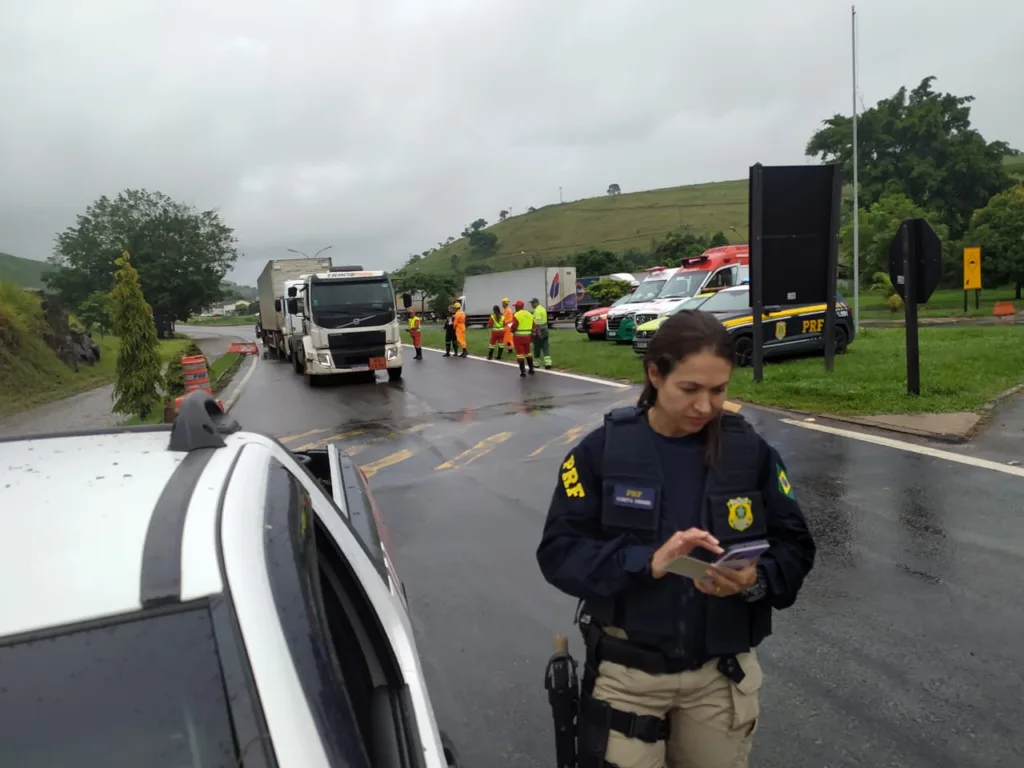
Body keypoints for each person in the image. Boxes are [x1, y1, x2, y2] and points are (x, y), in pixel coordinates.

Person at [536, 310, 816, 768]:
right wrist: (645, 562)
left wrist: (755, 578)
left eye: (718, 390)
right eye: (690, 389)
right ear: (655, 373)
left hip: (719, 676)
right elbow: (559, 552)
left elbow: (796, 545)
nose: (705, 407)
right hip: (629, 676)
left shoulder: (750, 453)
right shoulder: (600, 452)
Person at [509, 299, 536, 377]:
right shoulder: (530, 314)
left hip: (518, 338)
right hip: (528, 337)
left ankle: (523, 371)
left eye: (515, 306)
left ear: (518, 307)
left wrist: (511, 330)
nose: (515, 308)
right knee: (528, 353)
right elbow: (533, 326)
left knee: (520, 355)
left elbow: (514, 326)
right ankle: (531, 369)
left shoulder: (516, 315)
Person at [529, 297, 552, 369]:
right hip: (545, 329)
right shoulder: (542, 308)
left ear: (536, 303)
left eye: (532, 303)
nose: (531, 305)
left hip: (539, 330)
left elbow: (538, 322)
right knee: (545, 347)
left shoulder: (537, 311)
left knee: (537, 347)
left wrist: (538, 333)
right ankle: (548, 363)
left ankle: (536, 363)